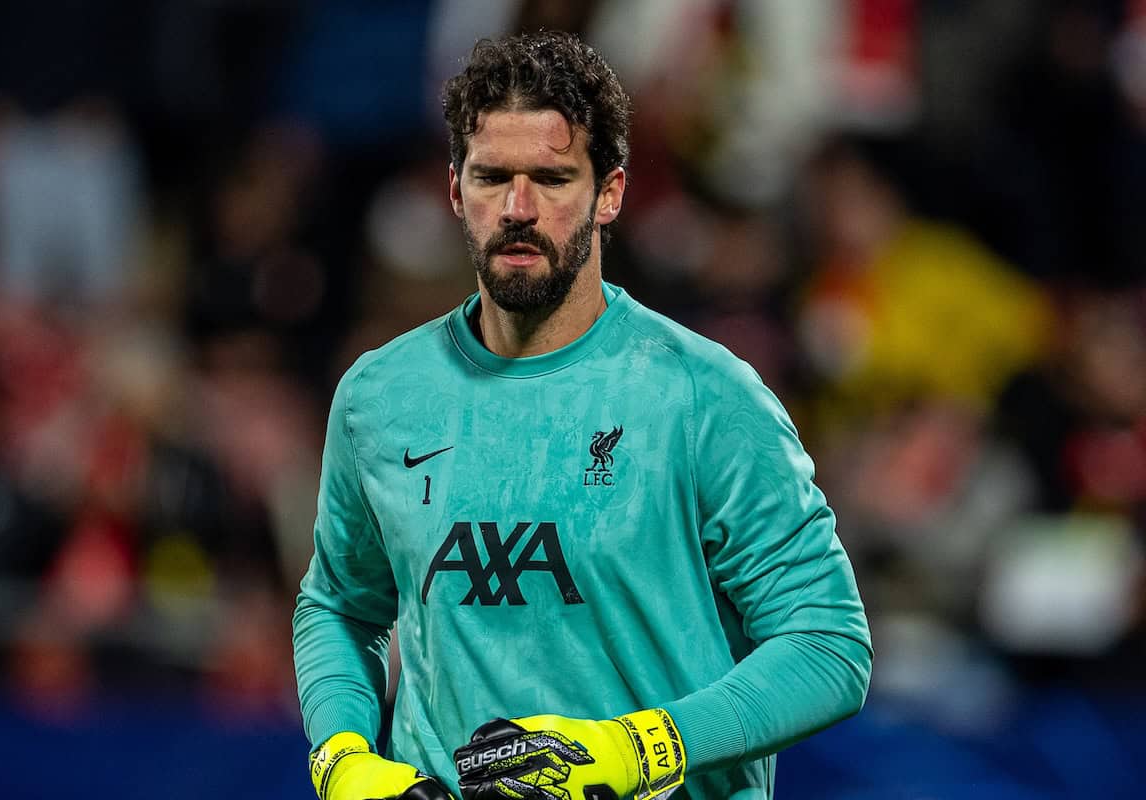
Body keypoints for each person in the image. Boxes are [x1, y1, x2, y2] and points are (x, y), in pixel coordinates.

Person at [293, 31, 872, 800]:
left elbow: (829, 645)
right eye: (493, 176)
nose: (519, 208)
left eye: (553, 178)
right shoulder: (380, 397)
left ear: (610, 193)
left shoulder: (705, 397)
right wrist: (342, 759)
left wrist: (641, 747)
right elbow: (338, 604)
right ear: (455, 190)